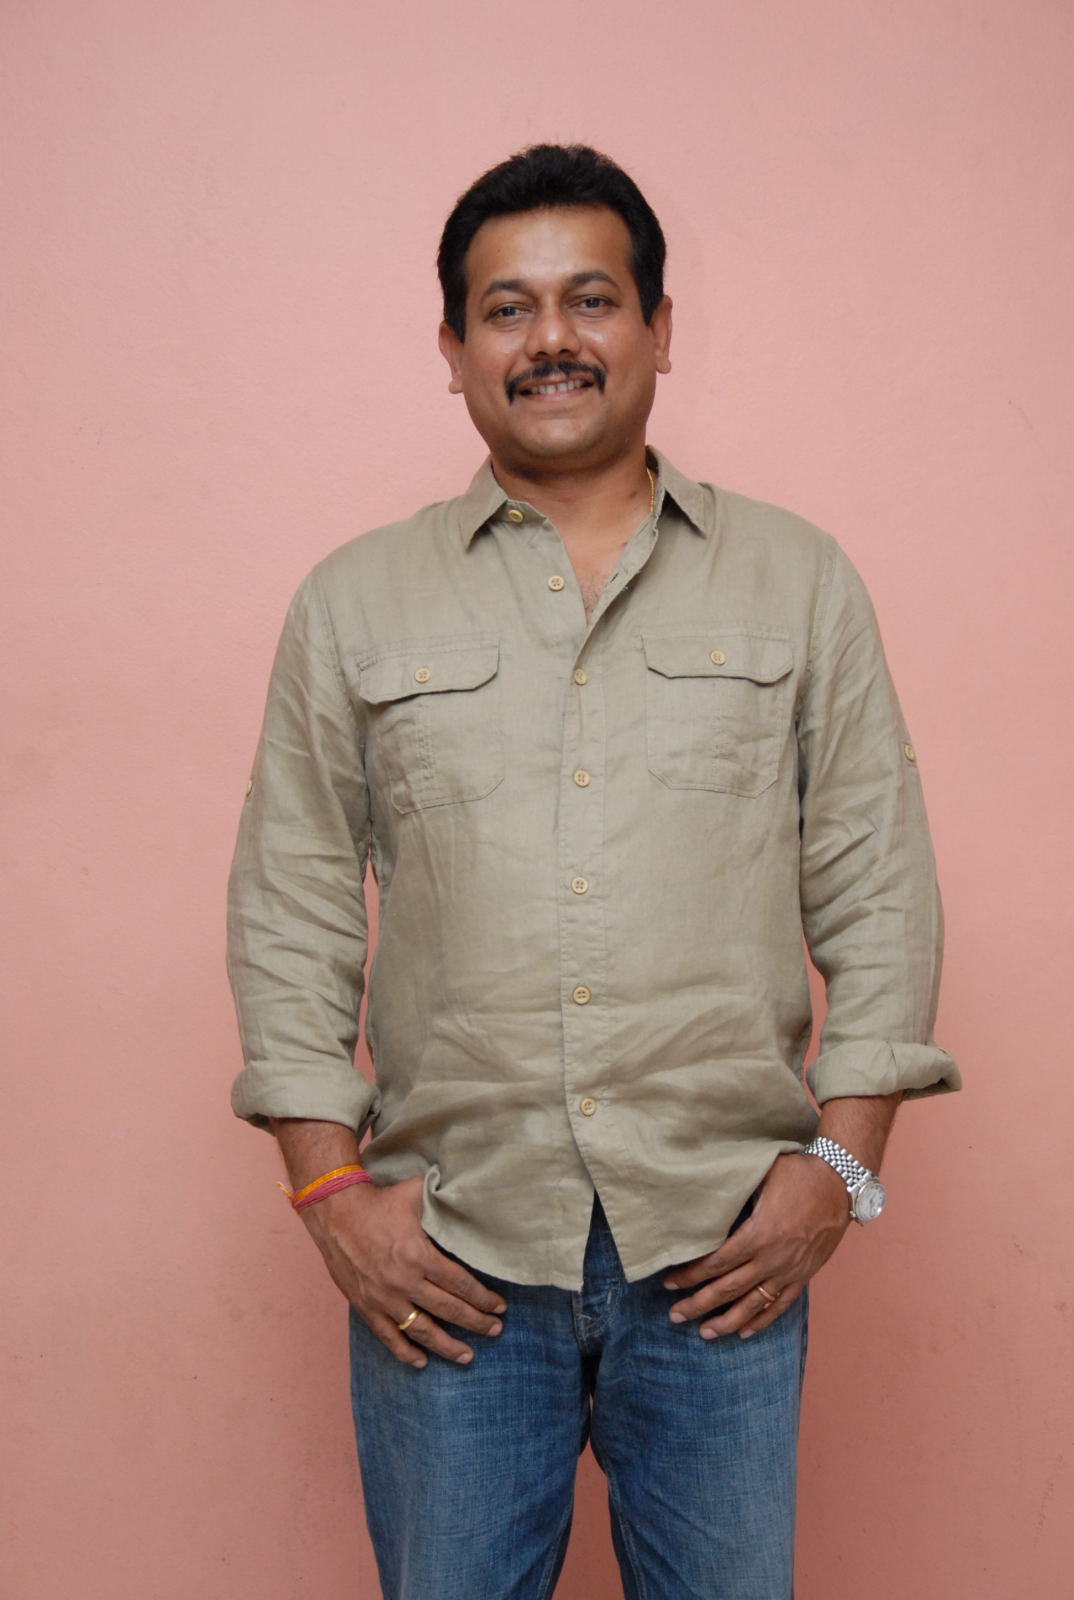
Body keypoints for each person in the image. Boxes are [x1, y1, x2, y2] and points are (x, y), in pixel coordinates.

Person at [227, 143, 959, 1600]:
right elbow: (290, 904)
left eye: (591, 299)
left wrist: (838, 1172)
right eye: (506, 308)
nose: (549, 338)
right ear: (452, 350)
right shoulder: (354, 601)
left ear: (658, 328)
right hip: (449, 1254)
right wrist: (331, 1198)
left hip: (721, 1252)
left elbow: (878, 880)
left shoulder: (796, 578)